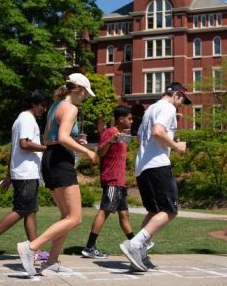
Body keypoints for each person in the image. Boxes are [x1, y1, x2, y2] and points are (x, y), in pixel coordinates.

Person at [16, 73, 98, 277]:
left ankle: (51, 261)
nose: (85, 97)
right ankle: (32, 247)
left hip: (50, 159)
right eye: (85, 93)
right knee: (76, 217)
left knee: (66, 216)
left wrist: (73, 142)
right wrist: (86, 150)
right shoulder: (71, 108)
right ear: (78, 88)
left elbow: (50, 137)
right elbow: (62, 137)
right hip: (60, 161)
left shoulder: (55, 106)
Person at [119, 83, 190, 272]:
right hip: (158, 165)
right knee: (170, 210)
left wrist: (170, 141)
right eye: (182, 99)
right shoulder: (168, 108)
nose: (181, 104)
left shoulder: (151, 109)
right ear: (175, 95)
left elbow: (145, 135)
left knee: (153, 211)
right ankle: (134, 245)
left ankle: (140, 255)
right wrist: (177, 147)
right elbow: (157, 132)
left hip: (142, 167)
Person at [0, 90, 50, 262]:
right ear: (34, 104)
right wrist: (48, 148)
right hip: (26, 173)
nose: (44, 110)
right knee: (21, 211)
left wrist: (8, 175)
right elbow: (24, 144)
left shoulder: (22, 119)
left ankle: (34, 249)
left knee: (30, 212)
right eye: (42, 106)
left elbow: (14, 149)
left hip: (24, 173)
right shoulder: (27, 119)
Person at [81, 106, 135, 259]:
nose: (131, 121)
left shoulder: (122, 135)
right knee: (104, 211)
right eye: (129, 118)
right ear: (121, 119)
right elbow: (100, 152)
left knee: (124, 214)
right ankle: (90, 247)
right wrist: (110, 141)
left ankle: (135, 245)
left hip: (120, 181)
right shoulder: (110, 133)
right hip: (112, 180)